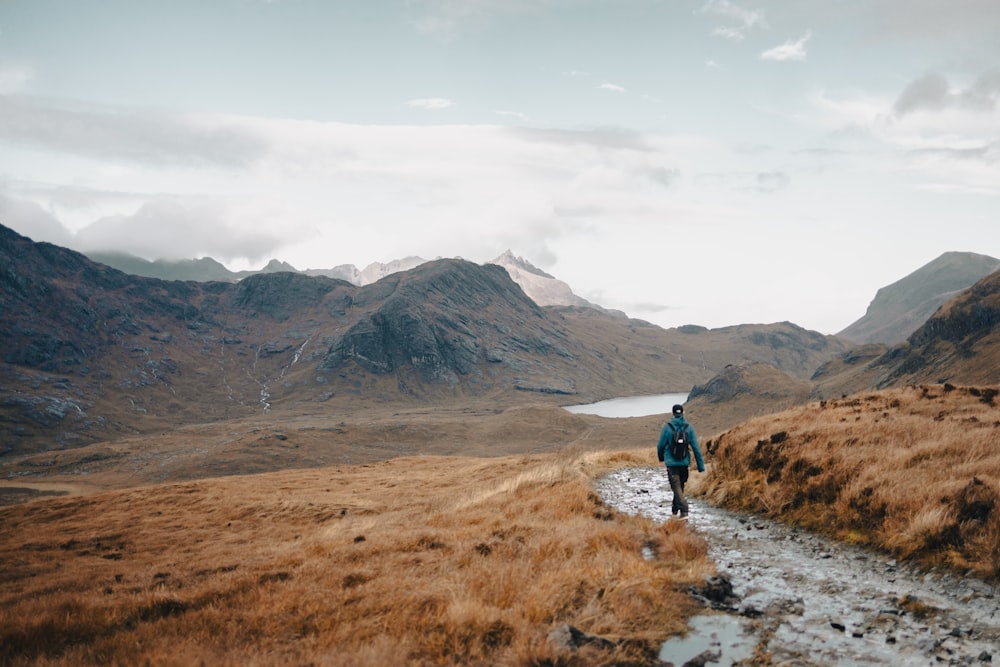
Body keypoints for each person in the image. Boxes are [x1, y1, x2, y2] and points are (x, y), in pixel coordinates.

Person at [656, 403, 705, 518]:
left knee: (677, 487)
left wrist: (661, 458)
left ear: (673, 413)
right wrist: (701, 466)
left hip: (671, 464)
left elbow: (660, 446)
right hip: (684, 463)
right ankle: (675, 510)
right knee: (680, 486)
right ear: (683, 413)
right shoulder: (689, 428)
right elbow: (696, 448)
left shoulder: (667, 427)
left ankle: (684, 510)